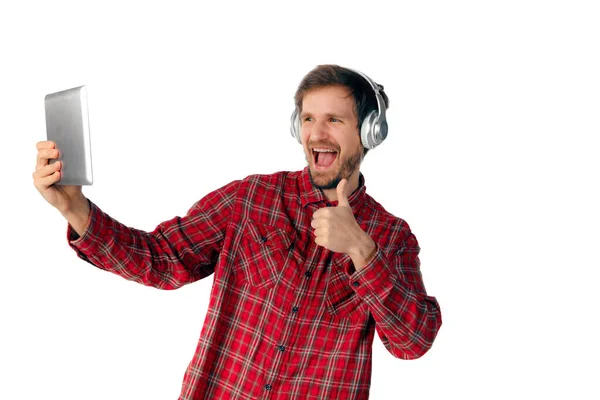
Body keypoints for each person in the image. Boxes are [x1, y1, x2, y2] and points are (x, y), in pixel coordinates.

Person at [33, 65, 442, 400]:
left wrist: (360, 249)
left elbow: (412, 342)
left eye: (334, 120)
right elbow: (160, 259)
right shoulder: (251, 199)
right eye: (308, 119)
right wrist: (74, 209)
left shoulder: (390, 237)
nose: (317, 134)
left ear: (370, 132)